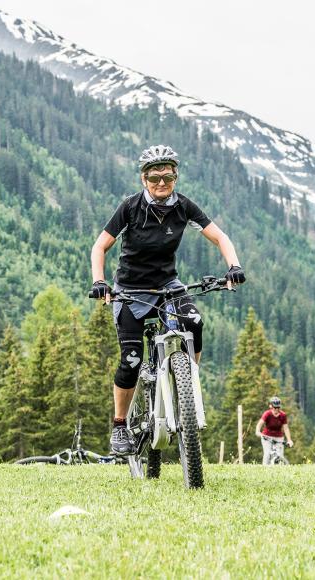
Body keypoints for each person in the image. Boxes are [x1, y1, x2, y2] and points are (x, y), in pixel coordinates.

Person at [89, 145, 244, 455]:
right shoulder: (130, 207)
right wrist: (100, 282)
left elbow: (219, 236)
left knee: (195, 323)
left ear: (176, 176)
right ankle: (120, 425)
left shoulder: (184, 207)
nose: (162, 183)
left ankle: (188, 384)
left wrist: (233, 265)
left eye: (168, 177)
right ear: (144, 178)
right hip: (130, 290)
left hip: (167, 285)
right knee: (131, 360)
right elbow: (99, 247)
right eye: (154, 177)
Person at [255, 396, 293, 465]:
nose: (276, 409)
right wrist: (258, 432)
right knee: (267, 453)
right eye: (274, 407)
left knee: (280, 455)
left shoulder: (283, 415)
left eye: (278, 407)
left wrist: (289, 440)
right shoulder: (267, 414)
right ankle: (264, 469)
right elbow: (259, 424)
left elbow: (286, 428)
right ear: (271, 407)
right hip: (267, 436)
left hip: (279, 437)